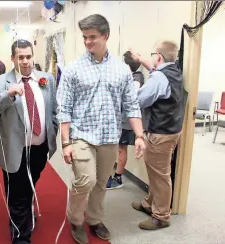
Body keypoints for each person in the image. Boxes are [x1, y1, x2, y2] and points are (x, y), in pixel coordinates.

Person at [56, 14, 146, 243]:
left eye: (92, 37)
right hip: (82, 136)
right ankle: (76, 219)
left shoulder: (121, 70)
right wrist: (65, 142)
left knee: (100, 183)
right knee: (85, 179)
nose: (87, 42)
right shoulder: (73, 69)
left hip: (109, 137)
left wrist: (139, 135)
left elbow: (131, 105)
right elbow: (64, 108)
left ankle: (94, 219)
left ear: (106, 36)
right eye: (85, 37)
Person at [0, 39, 58, 244]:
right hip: (14, 149)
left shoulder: (47, 79)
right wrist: (8, 94)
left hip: (41, 148)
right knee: (17, 193)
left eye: (28, 56)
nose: (25, 61)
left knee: (29, 186)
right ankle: (20, 236)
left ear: (33, 57)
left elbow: (53, 110)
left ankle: (25, 210)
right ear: (13, 58)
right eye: (20, 57)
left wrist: (53, 130)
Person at [131, 41, 183, 230]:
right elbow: (155, 70)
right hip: (172, 131)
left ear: (159, 57)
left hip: (161, 133)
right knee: (156, 171)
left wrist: (134, 85)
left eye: (153, 54)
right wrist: (140, 59)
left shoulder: (159, 78)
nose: (152, 57)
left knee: (160, 175)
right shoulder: (174, 71)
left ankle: (161, 216)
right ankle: (149, 204)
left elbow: (140, 99)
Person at [106, 51, 145, 189]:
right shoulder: (128, 76)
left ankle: (118, 178)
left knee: (121, 148)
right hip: (119, 119)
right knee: (116, 148)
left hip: (126, 121)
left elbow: (131, 98)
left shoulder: (136, 78)